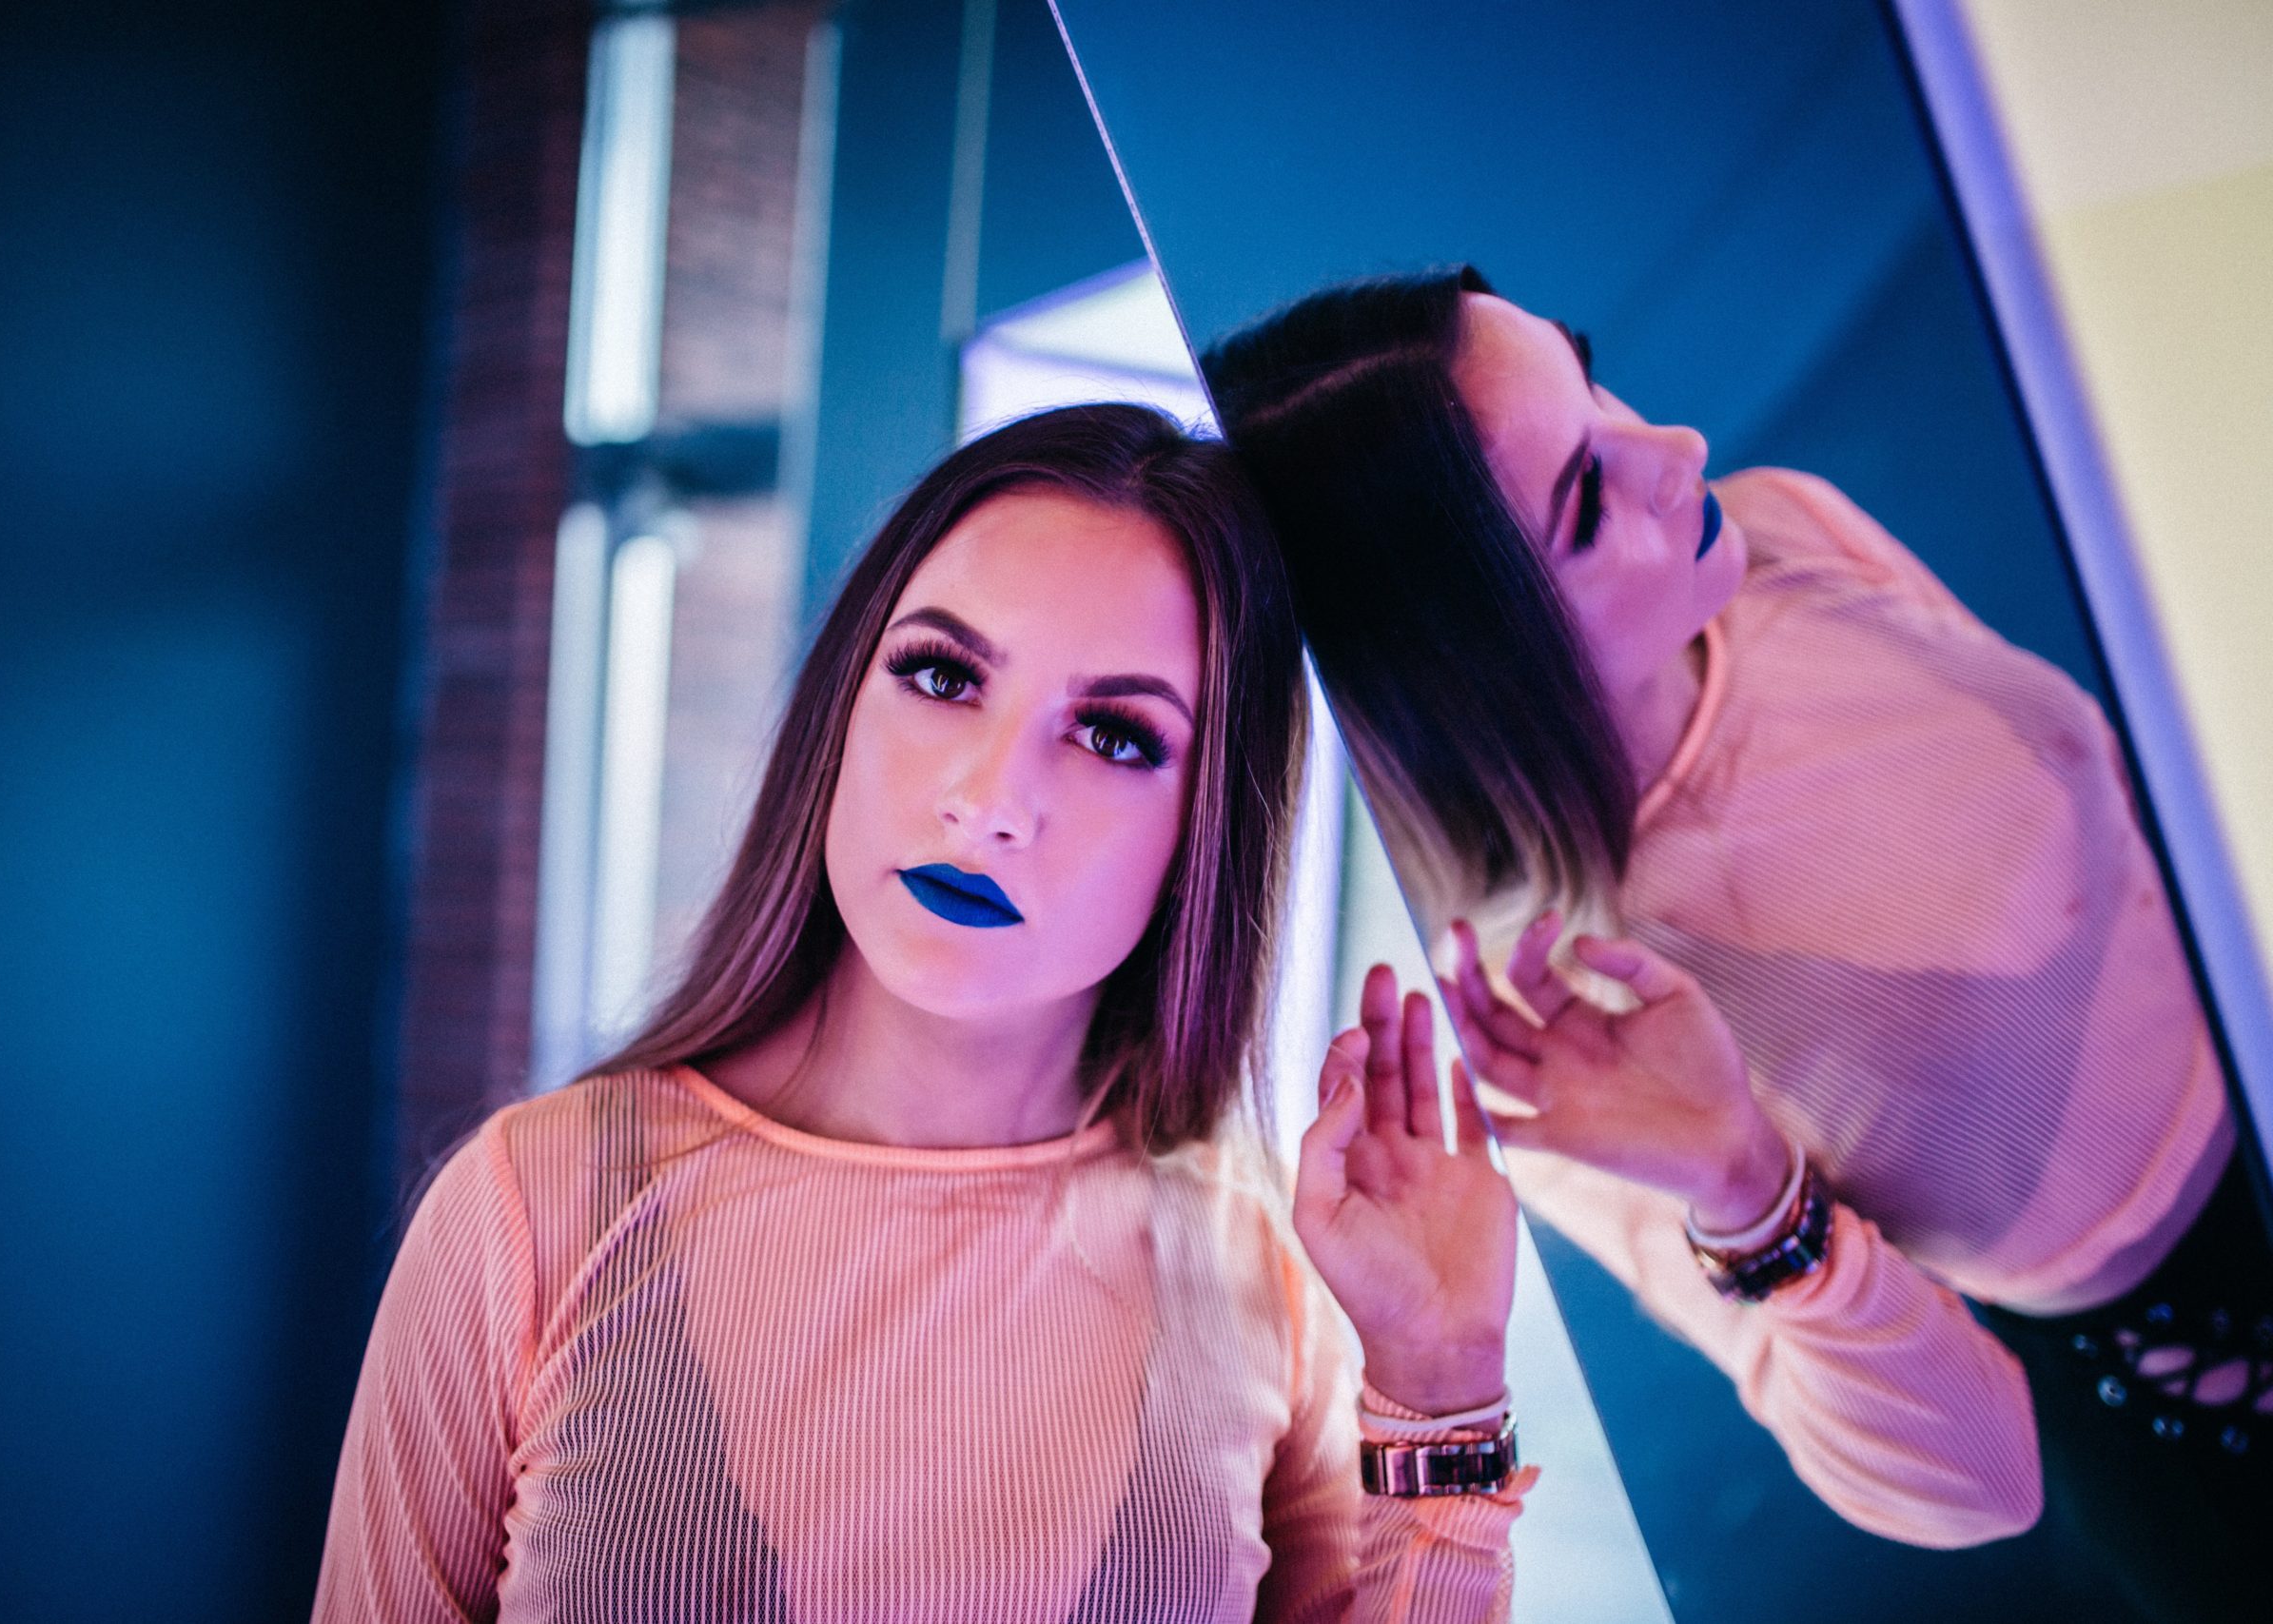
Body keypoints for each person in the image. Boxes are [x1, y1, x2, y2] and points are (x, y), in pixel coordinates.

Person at [313, 404, 1534, 1622]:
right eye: (943, 675)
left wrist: (1441, 1386)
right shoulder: (538, 1207)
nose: (989, 800)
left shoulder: (1260, 1266)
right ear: (844, 704)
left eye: (1113, 736)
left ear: (1205, 829)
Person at [1204, 267, 2271, 1601]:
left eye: (1589, 379)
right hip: (2214, 1378)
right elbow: (1977, 1480)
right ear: (1466, 667)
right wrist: (1742, 1181)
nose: (1678, 450)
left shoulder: (1788, 529)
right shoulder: (1562, 1021)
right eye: (1589, 498)